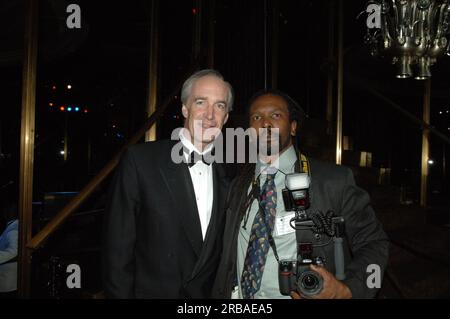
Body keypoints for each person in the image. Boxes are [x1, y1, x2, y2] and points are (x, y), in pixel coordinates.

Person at [212, 89, 389, 299]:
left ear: (293, 127)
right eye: (257, 117)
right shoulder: (237, 184)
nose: (265, 123)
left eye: (275, 115)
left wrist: (350, 290)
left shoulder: (332, 181)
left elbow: (376, 244)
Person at [103, 69, 233, 298]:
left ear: (226, 117)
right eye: (201, 102)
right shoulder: (140, 161)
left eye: (220, 106)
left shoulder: (231, 174)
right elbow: (117, 252)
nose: (210, 115)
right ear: (185, 108)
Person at [0, 195, 18, 298]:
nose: (4, 211)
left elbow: (15, 251)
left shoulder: (14, 228)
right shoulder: (11, 227)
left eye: (8, 207)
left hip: (8, 285)